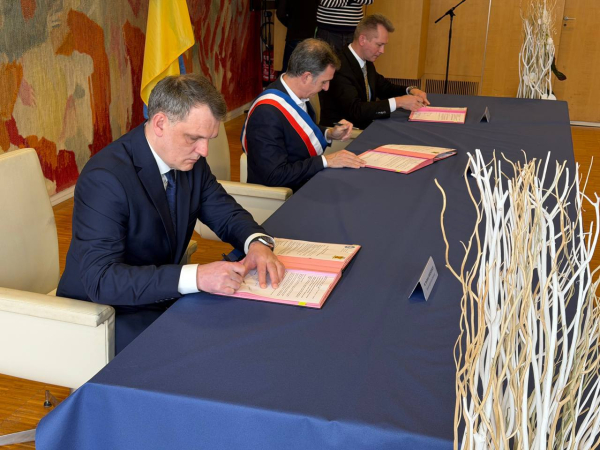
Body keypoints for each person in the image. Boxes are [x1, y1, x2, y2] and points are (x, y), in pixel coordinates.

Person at [57, 74, 285, 354]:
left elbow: (225, 213)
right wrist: (197, 277)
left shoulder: (190, 162)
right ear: (160, 123)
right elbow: (103, 280)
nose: (204, 151)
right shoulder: (105, 178)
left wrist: (256, 243)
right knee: (213, 351)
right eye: (194, 138)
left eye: (209, 139)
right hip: (106, 313)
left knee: (246, 331)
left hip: (159, 295)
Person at [242, 38, 365, 192]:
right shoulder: (266, 114)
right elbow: (274, 175)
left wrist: (329, 133)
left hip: (304, 181)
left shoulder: (295, 93)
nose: (326, 88)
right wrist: (325, 161)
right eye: (323, 82)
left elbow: (297, 130)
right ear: (306, 76)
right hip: (285, 195)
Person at [319, 14, 430, 130]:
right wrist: (399, 102)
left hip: (366, 125)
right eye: (379, 45)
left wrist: (410, 90)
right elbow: (355, 110)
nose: (382, 51)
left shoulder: (365, 60)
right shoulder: (339, 66)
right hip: (345, 132)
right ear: (362, 40)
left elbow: (384, 88)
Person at [276, 0, 319, 72]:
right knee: (308, 72)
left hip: (294, 34)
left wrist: (290, 24)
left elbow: (280, 13)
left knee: (288, 71)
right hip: (311, 36)